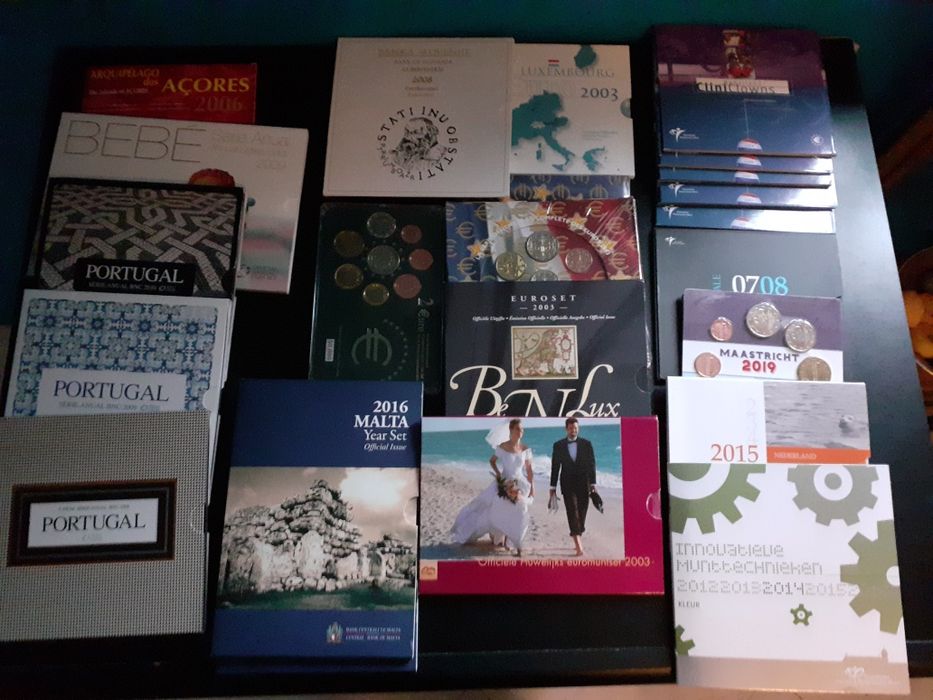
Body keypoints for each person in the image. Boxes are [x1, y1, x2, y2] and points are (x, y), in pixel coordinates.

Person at [450, 419, 534, 556]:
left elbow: (529, 470)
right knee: (500, 511)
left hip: (520, 485)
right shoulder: (502, 447)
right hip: (504, 483)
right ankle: (502, 538)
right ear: (511, 430)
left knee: (520, 512)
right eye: (518, 429)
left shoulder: (525, 449)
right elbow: (492, 461)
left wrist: (532, 488)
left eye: (522, 429)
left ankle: (517, 545)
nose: (521, 431)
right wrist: (499, 475)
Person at [549, 417, 598, 556]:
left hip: (584, 483)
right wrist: (552, 487)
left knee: (582, 512)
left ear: (578, 428)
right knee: (572, 512)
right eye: (571, 428)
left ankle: (578, 531)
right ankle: (578, 545)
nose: (573, 430)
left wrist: (593, 484)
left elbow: (592, 464)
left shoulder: (586, 444)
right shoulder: (558, 445)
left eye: (575, 428)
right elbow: (555, 467)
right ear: (566, 429)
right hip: (567, 484)